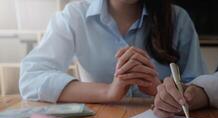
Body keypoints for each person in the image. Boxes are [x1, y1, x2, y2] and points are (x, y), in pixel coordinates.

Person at [19, 0, 206, 103]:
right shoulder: (74, 16)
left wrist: (159, 90)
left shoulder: (178, 19)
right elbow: (31, 78)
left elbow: (201, 87)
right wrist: (108, 92)